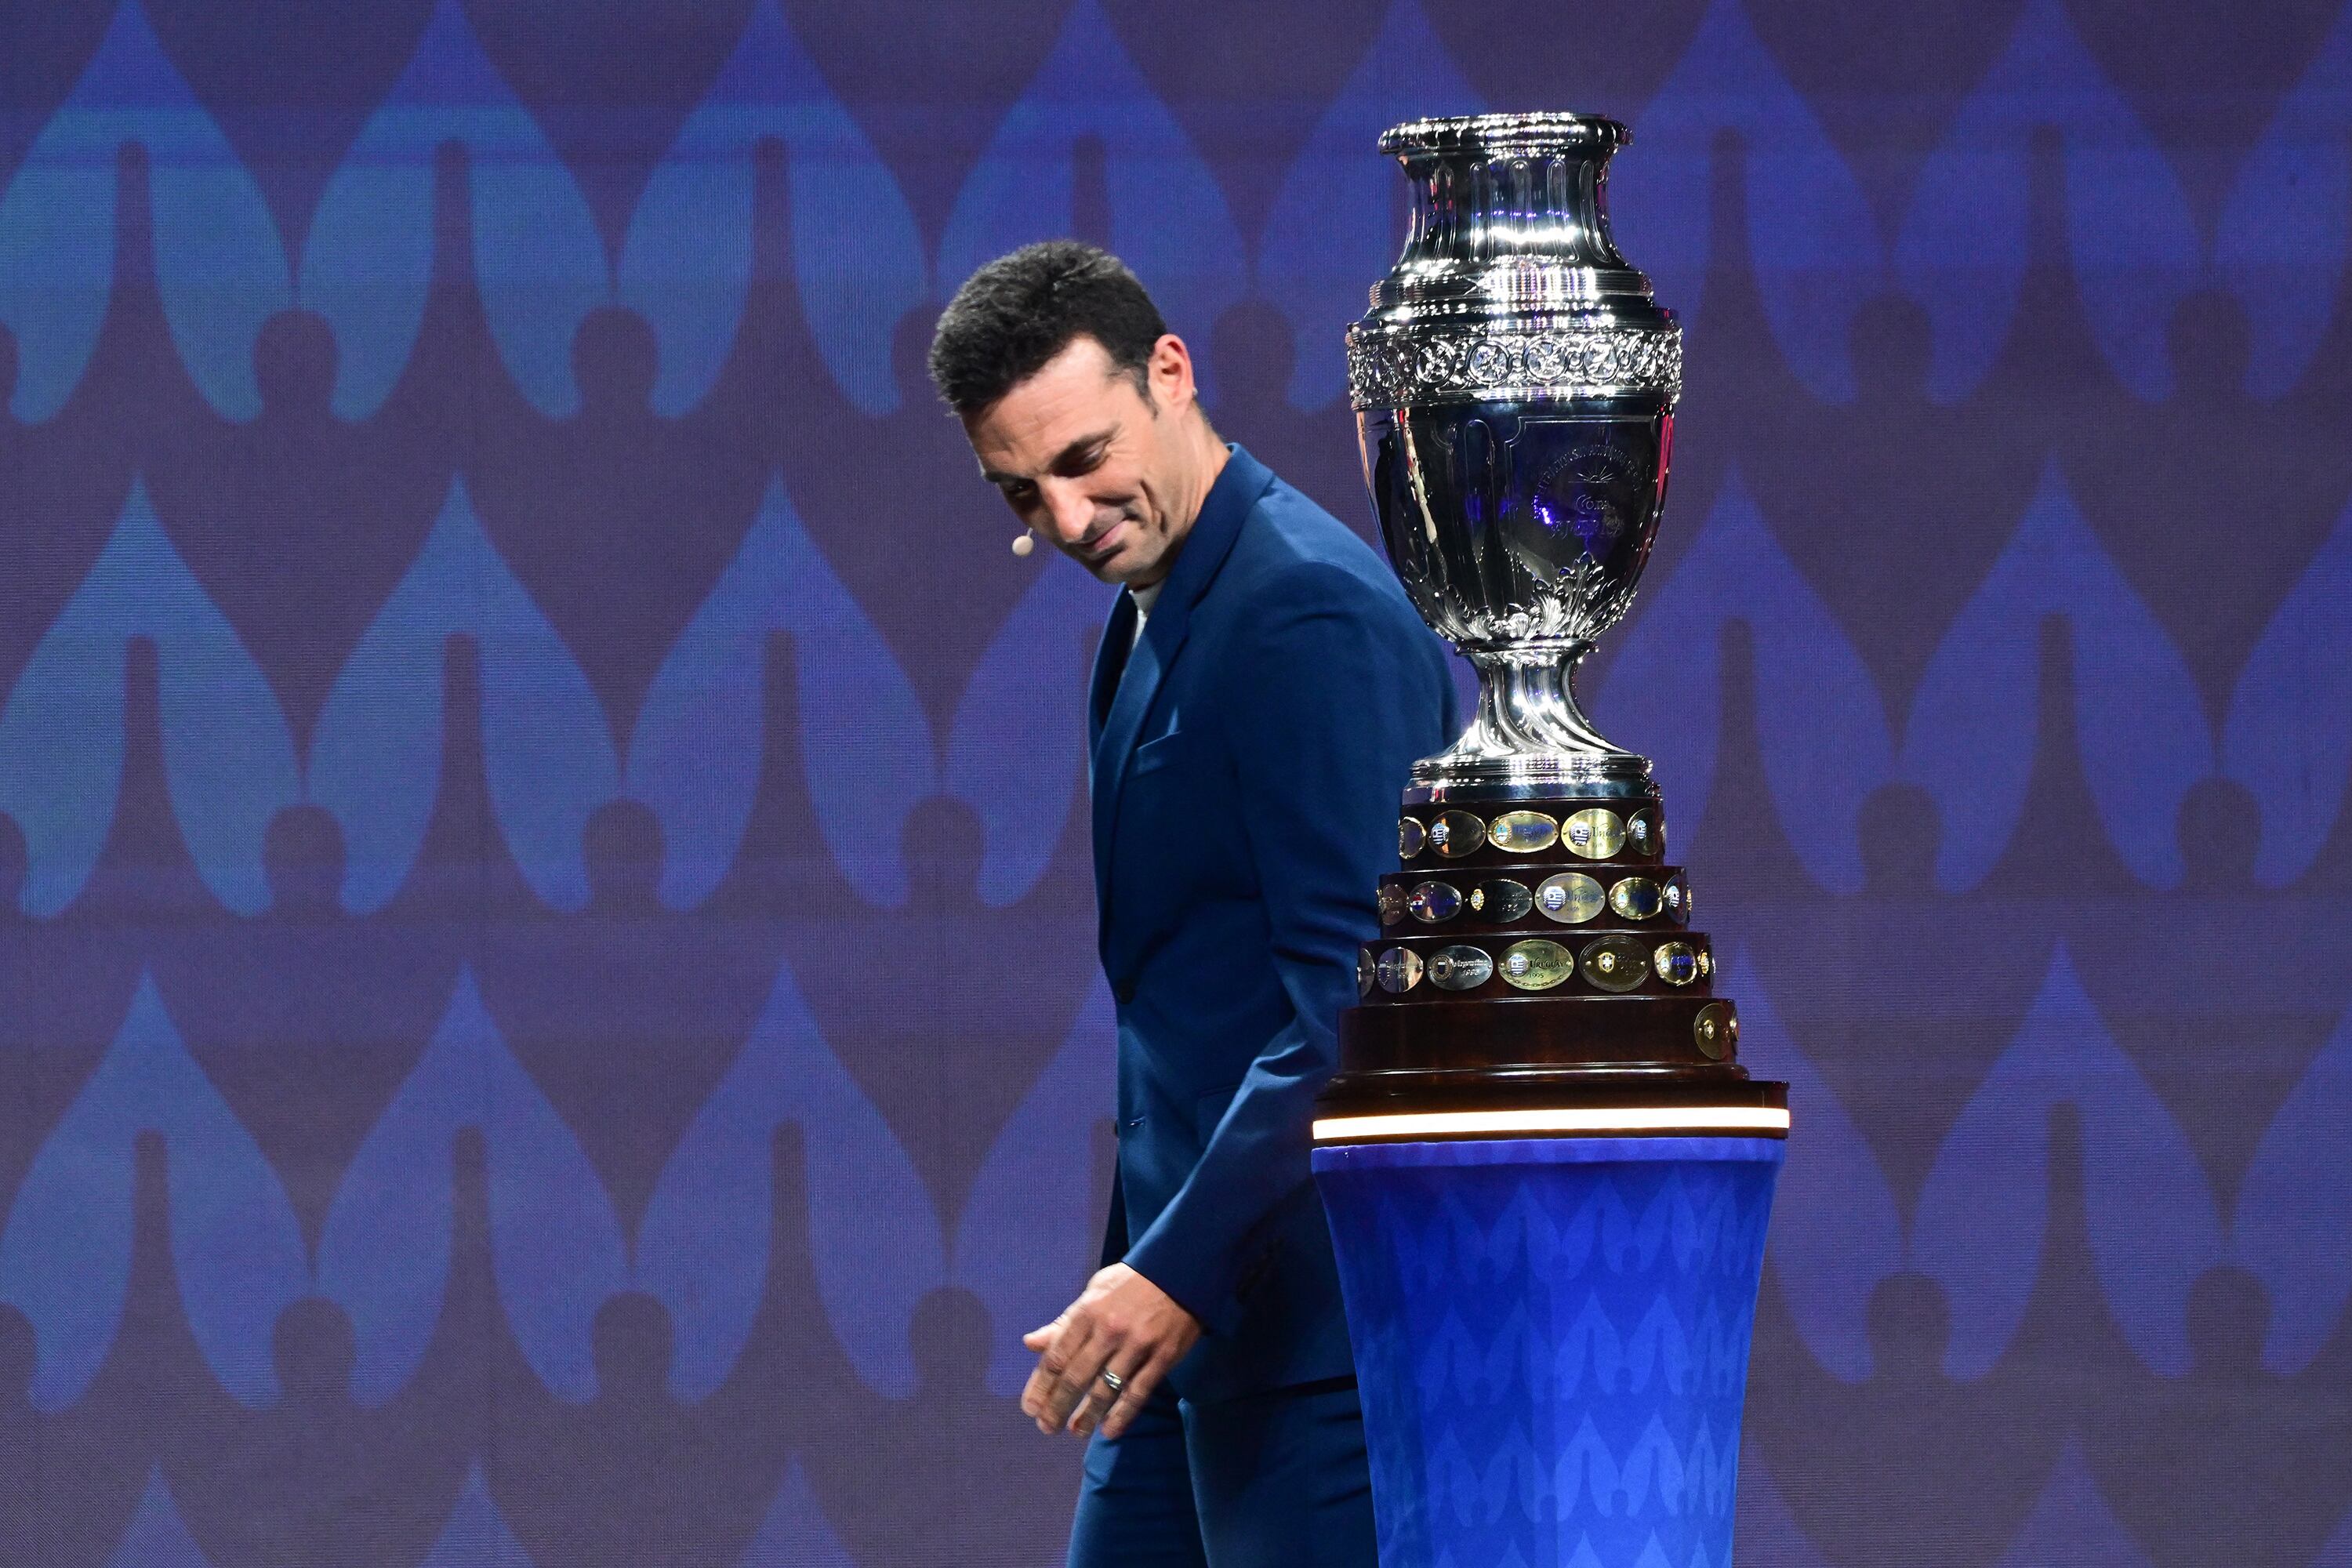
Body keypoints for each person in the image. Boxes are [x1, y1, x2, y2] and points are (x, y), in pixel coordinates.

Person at [928, 241, 1457, 1567]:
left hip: (1314, 1336)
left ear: (1171, 371)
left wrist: (1176, 1270)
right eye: (1022, 490)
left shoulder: (1305, 612)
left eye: (1084, 458)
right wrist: (1151, 1269)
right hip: (1183, 1321)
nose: (1066, 519)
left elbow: (1357, 1008)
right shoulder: (1157, 601)